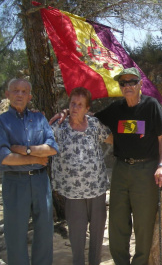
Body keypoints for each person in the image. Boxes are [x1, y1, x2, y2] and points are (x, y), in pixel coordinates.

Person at [51, 67, 162, 265]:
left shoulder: (151, 106)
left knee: (143, 224)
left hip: (145, 170)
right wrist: (67, 110)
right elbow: (87, 116)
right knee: (117, 222)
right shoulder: (116, 109)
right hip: (121, 170)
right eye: (123, 83)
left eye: (132, 81)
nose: (128, 86)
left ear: (140, 84)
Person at [51, 87, 112, 265]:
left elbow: (115, 138)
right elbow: (39, 136)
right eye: (72, 104)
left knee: (97, 233)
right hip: (73, 193)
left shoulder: (94, 124)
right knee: (76, 236)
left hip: (97, 189)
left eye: (80, 105)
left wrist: (139, 128)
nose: (75, 108)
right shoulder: (59, 126)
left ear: (87, 109)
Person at [0, 79, 59, 265]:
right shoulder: (2, 121)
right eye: (15, 90)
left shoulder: (39, 119)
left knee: (44, 232)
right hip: (15, 182)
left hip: (41, 182)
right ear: (7, 94)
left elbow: (51, 148)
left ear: (30, 96)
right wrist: (35, 157)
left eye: (24, 91)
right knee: (16, 234)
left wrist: (22, 149)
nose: (19, 94)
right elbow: (4, 158)